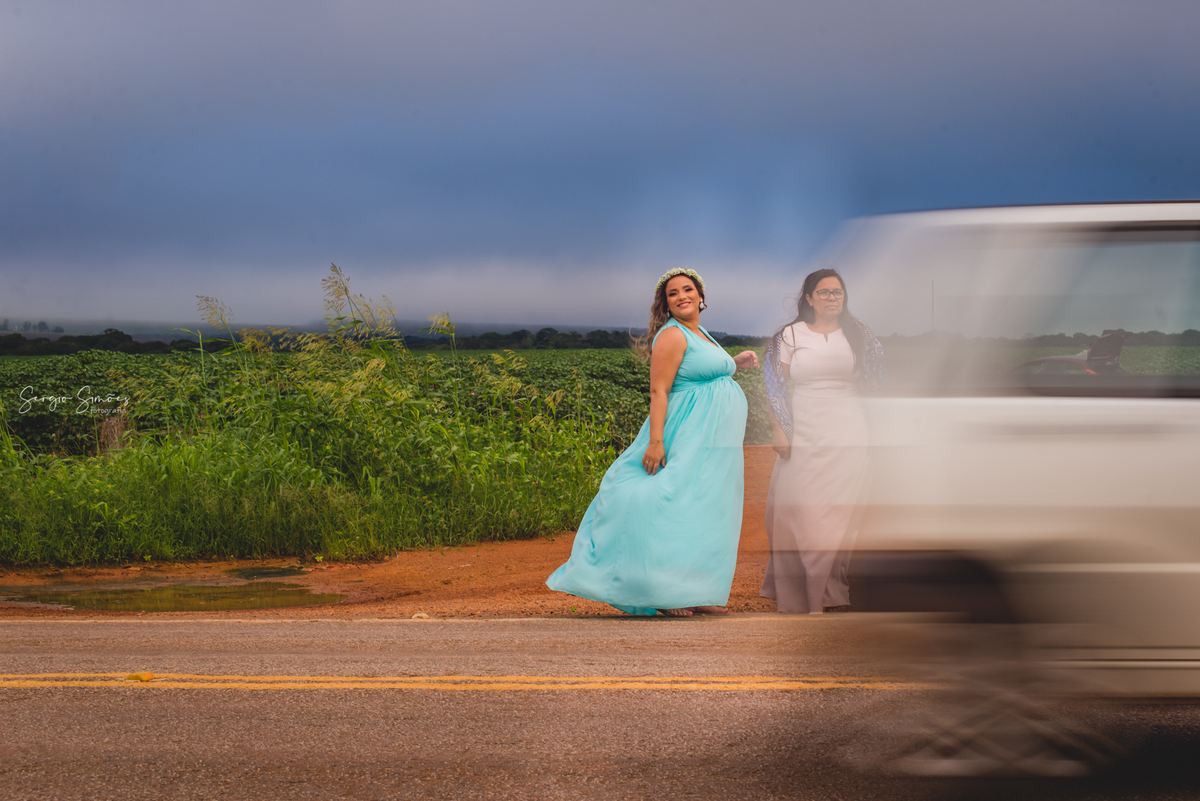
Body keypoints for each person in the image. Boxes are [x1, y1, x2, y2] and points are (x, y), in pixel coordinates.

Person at [546, 268, 760, 616]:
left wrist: (734, 363)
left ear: (701, 296)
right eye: (672, 294)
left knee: (704, 506)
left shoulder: (700, 332)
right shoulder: (672, 335)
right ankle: (660, 591)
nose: (681, 296)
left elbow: (699, 371)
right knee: (668, 499)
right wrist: (656, 441)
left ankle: (692, 590)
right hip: (687, 431)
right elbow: (660, 390)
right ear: (666, 304)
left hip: (713, 441)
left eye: (687, 289)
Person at [761, 268, 885, 613]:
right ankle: (802, 596)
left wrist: (878, 430)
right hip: (803, 430)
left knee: (839, 516)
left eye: (838, 292)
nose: (832, 298)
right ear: (809, 298)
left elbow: (877, 384)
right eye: (825, 292)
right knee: (800, 511)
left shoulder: (861, 334)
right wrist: (778, 429)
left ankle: (830, 594)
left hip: (850, 432)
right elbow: (773, 386)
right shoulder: (789, 335)